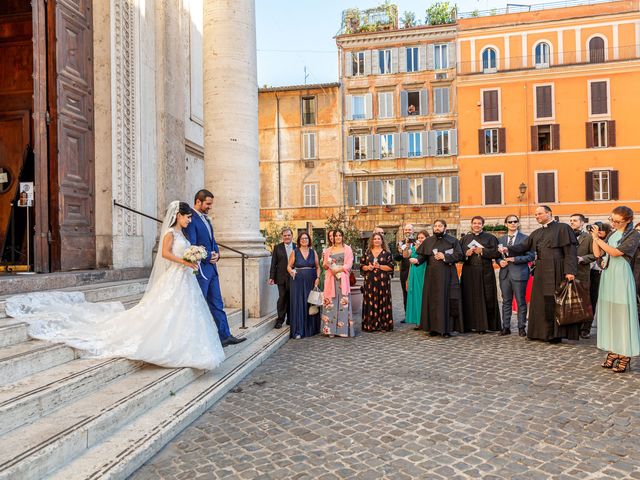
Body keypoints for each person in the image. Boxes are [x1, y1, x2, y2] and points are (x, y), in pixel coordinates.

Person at [6, 201, 225, 370]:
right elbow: (166, 254)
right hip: (177, 275)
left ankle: (185, 344)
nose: (189, 220)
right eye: (187, 217)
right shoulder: (169, 233)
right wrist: (185, 261)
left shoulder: (182, 233)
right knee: (167, 310)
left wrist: (192, 260)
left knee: (186, 312)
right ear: (178, 215)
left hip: (184, 278)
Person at [508, 205, 578, 343]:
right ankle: (540, 333)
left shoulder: (563, 228)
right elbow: (523, 246)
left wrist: (570, 271)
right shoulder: (537, 233)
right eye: (535, 215)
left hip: (557, 268)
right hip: (541, 270)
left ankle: (554, 335)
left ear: (549, 213)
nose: (537, 216)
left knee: (554, 301)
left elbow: (570, 252)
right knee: (539, 301)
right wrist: (506, 249)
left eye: (539, 214)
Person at [185, 189, 246, 347]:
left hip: (212, 270)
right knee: (199, 305)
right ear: (198, 201)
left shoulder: (206, 219)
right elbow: (190, 245)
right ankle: (197, 340)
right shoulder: (190, 220)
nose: (210, 207)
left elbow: (212, 242)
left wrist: (217, 255)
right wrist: (206, 257)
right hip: (201, 271)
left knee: (217, 304)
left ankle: (225, 335)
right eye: (208, 204)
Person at [591, 207, 640, 373]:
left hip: (621, 275)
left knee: (623, 314)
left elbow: (615, 252)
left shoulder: (634, 235)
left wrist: (598, 240)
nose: (613, 223)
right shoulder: (612, 234)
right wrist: (594, 238)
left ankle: (625, 353)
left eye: (617, 221)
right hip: (609, 274)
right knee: (611, 313)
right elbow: (598, 254)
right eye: (612, 220)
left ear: (627, 220)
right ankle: (614, 349)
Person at [412, 219, 464, 337]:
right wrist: (416, 260)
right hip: (432, 276)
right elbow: (422, 256)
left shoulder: (453, 241)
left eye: (440, 226)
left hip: (448, 275)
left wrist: (445, 256)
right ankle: (433, 328)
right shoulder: (428, 241)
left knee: (446, 300)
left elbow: (460, 255)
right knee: (433, 301)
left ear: (445, 227)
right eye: (435, 226)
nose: (437, 228)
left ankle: (446, 329)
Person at [460, 216, 501, 334]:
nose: (476, 225)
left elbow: (496, 253)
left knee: (486, 297)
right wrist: (466, 254)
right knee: (469, 297)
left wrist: (482, 251)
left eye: (479, 223)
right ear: (471, 224)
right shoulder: (464, 239)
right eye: (474, 223)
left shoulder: (491, 238)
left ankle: (484, 325)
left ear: (483, 225)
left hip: (485, 271)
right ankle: (469, 325)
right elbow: (458, 255)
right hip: (469, 272)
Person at [497, 215, 534, 336]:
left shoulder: (525, 238)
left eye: (515, 221)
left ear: (518, 223)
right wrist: (499, 262)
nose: (513, 223)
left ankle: (521, 327)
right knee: (506, 301)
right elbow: (497, 256)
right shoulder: (501, 239)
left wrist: (515, 259)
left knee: (521, 302)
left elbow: (531, 256)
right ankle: (506, 327)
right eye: (510, 222)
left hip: (519, 274)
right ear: (506, 224)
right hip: (505, 274)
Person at [321, 229, 355, 337]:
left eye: (340, 235)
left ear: (342, 237)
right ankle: (330, 330)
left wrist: (339, 269)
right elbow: (325, 266)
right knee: (330, 303)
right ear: (333, 238)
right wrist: (327, 264)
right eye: (336, 236)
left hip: (342, 279)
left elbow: (349, 264)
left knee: (343, 303)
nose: (338, 237)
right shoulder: (328, 250)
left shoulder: (347, 249)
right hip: (331, 278)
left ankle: (343, 330)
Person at [287, 231, 321, 339]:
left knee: (310, 302)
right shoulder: (295, 252)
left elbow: (318, 267)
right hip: (297, 281)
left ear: (309, 240)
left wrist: (318, 278)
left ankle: (311, 329)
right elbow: (288, 266)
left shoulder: (313, 252)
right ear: (299, 241)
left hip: (311, 280)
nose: (304, 240)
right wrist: (291, 271)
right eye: (302, 239)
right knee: (298, 304)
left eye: (306, 238)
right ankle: (298, 330)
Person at [569, 214, 596, 338]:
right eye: (571, 221)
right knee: (570, 303)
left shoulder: (589, 237)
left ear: (582, 223)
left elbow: (595, 255)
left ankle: (585, 329)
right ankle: (572, 328)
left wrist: (582, 258)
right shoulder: (567, 236)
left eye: (574, 220)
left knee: (585, 303)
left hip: (583, 274)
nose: (572, 222)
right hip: (569, 275)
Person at [360, 232, 394, 332]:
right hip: (370, 283)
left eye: (379, 239)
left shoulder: (387, 253)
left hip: (383, 283)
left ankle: (383, 325)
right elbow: (361, 266)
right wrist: (368, 267)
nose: (377, 240)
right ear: (372, 240)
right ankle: (370, 325)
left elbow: (390, 267)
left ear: (382, 240)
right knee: (370, 302)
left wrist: (379, 266)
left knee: (383, 302)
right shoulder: (367, 253)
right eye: (375, 239)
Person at [269, 228, 295, 329]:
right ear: (282, 236)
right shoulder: (277, 248)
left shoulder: (296, 247)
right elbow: (273, 263)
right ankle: (280, 320)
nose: (287, 237)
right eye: (285, 235)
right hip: (281, 277)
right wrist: (271, 277)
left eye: (288, 235)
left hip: (294, 277)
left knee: (291, 298)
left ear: (292, 236)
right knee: (282, 298)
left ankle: (290, 319)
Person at [404, 230, 429, 328]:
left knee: (422, 296)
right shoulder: (414, 248)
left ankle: (424, 320)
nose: (420, 239)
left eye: (422, 238)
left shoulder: (428, 248)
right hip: (414, 273)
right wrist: (407, 245)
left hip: (424, 273)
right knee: (415, 296)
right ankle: (418, 321)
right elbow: (405, 255)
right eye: (419, 238)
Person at [589, 222, 611, 317]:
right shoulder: (594, 239)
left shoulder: (610, 238)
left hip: (608, 272)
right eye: (597, 229)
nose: (599, 231)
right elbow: (597, 254)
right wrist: (595, 238)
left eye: (600, 229)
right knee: (594, 297)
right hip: (595, 272)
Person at [394, 223, 415, 314]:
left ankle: (416, 314)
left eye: (409, 229)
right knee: (405, 293)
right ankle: (407, 315)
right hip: (404, 272)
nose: (407, 231)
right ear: (403, 231)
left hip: (415, 270)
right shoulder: (400, 243)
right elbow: (396, 258)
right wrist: (400, 253)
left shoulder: (417, 242)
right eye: (406, 230)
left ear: (413, 231)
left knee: (415, 293)